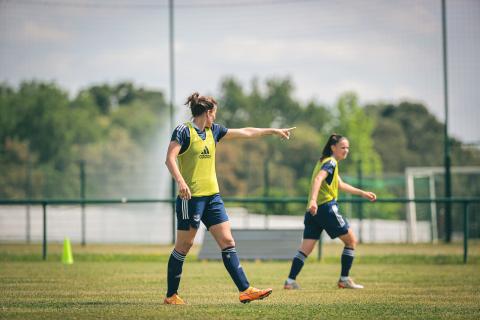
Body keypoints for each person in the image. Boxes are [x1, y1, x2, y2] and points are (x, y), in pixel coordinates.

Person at [164, 92, 296, 304]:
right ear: (207, 112)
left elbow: (245, 132)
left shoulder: (213, 131)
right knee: (184, 246)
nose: (215, 117)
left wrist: (273, 131)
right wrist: (181, 182)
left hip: (212, 198)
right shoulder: (183, 131)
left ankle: (245, 290)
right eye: (214, 113)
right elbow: (170, 159)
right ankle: (171, 296)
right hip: (191, 199)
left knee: (227, 241)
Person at [283, 134, 376, 290]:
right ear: (333, 147)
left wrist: (362, 193)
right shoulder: (331, 162)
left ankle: (290, 281)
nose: (346, 151)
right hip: (326, 208)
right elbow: (318, 179)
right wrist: (313, 200)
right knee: (351, 241)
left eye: (347, 148)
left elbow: (340, 184)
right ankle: (344, 280)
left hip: (314, 212)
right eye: (343, 147)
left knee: (305, 248)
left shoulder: (324, 161)